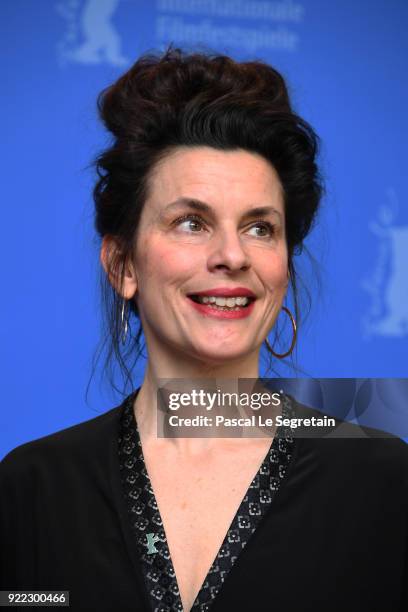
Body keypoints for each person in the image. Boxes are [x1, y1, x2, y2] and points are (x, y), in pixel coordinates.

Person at [1, 47, 407, 612]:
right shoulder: (33, 488)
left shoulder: (384, 483)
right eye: (191, 222)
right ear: (122, 265)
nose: (232, 255)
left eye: (261, 228)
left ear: (284, 272)